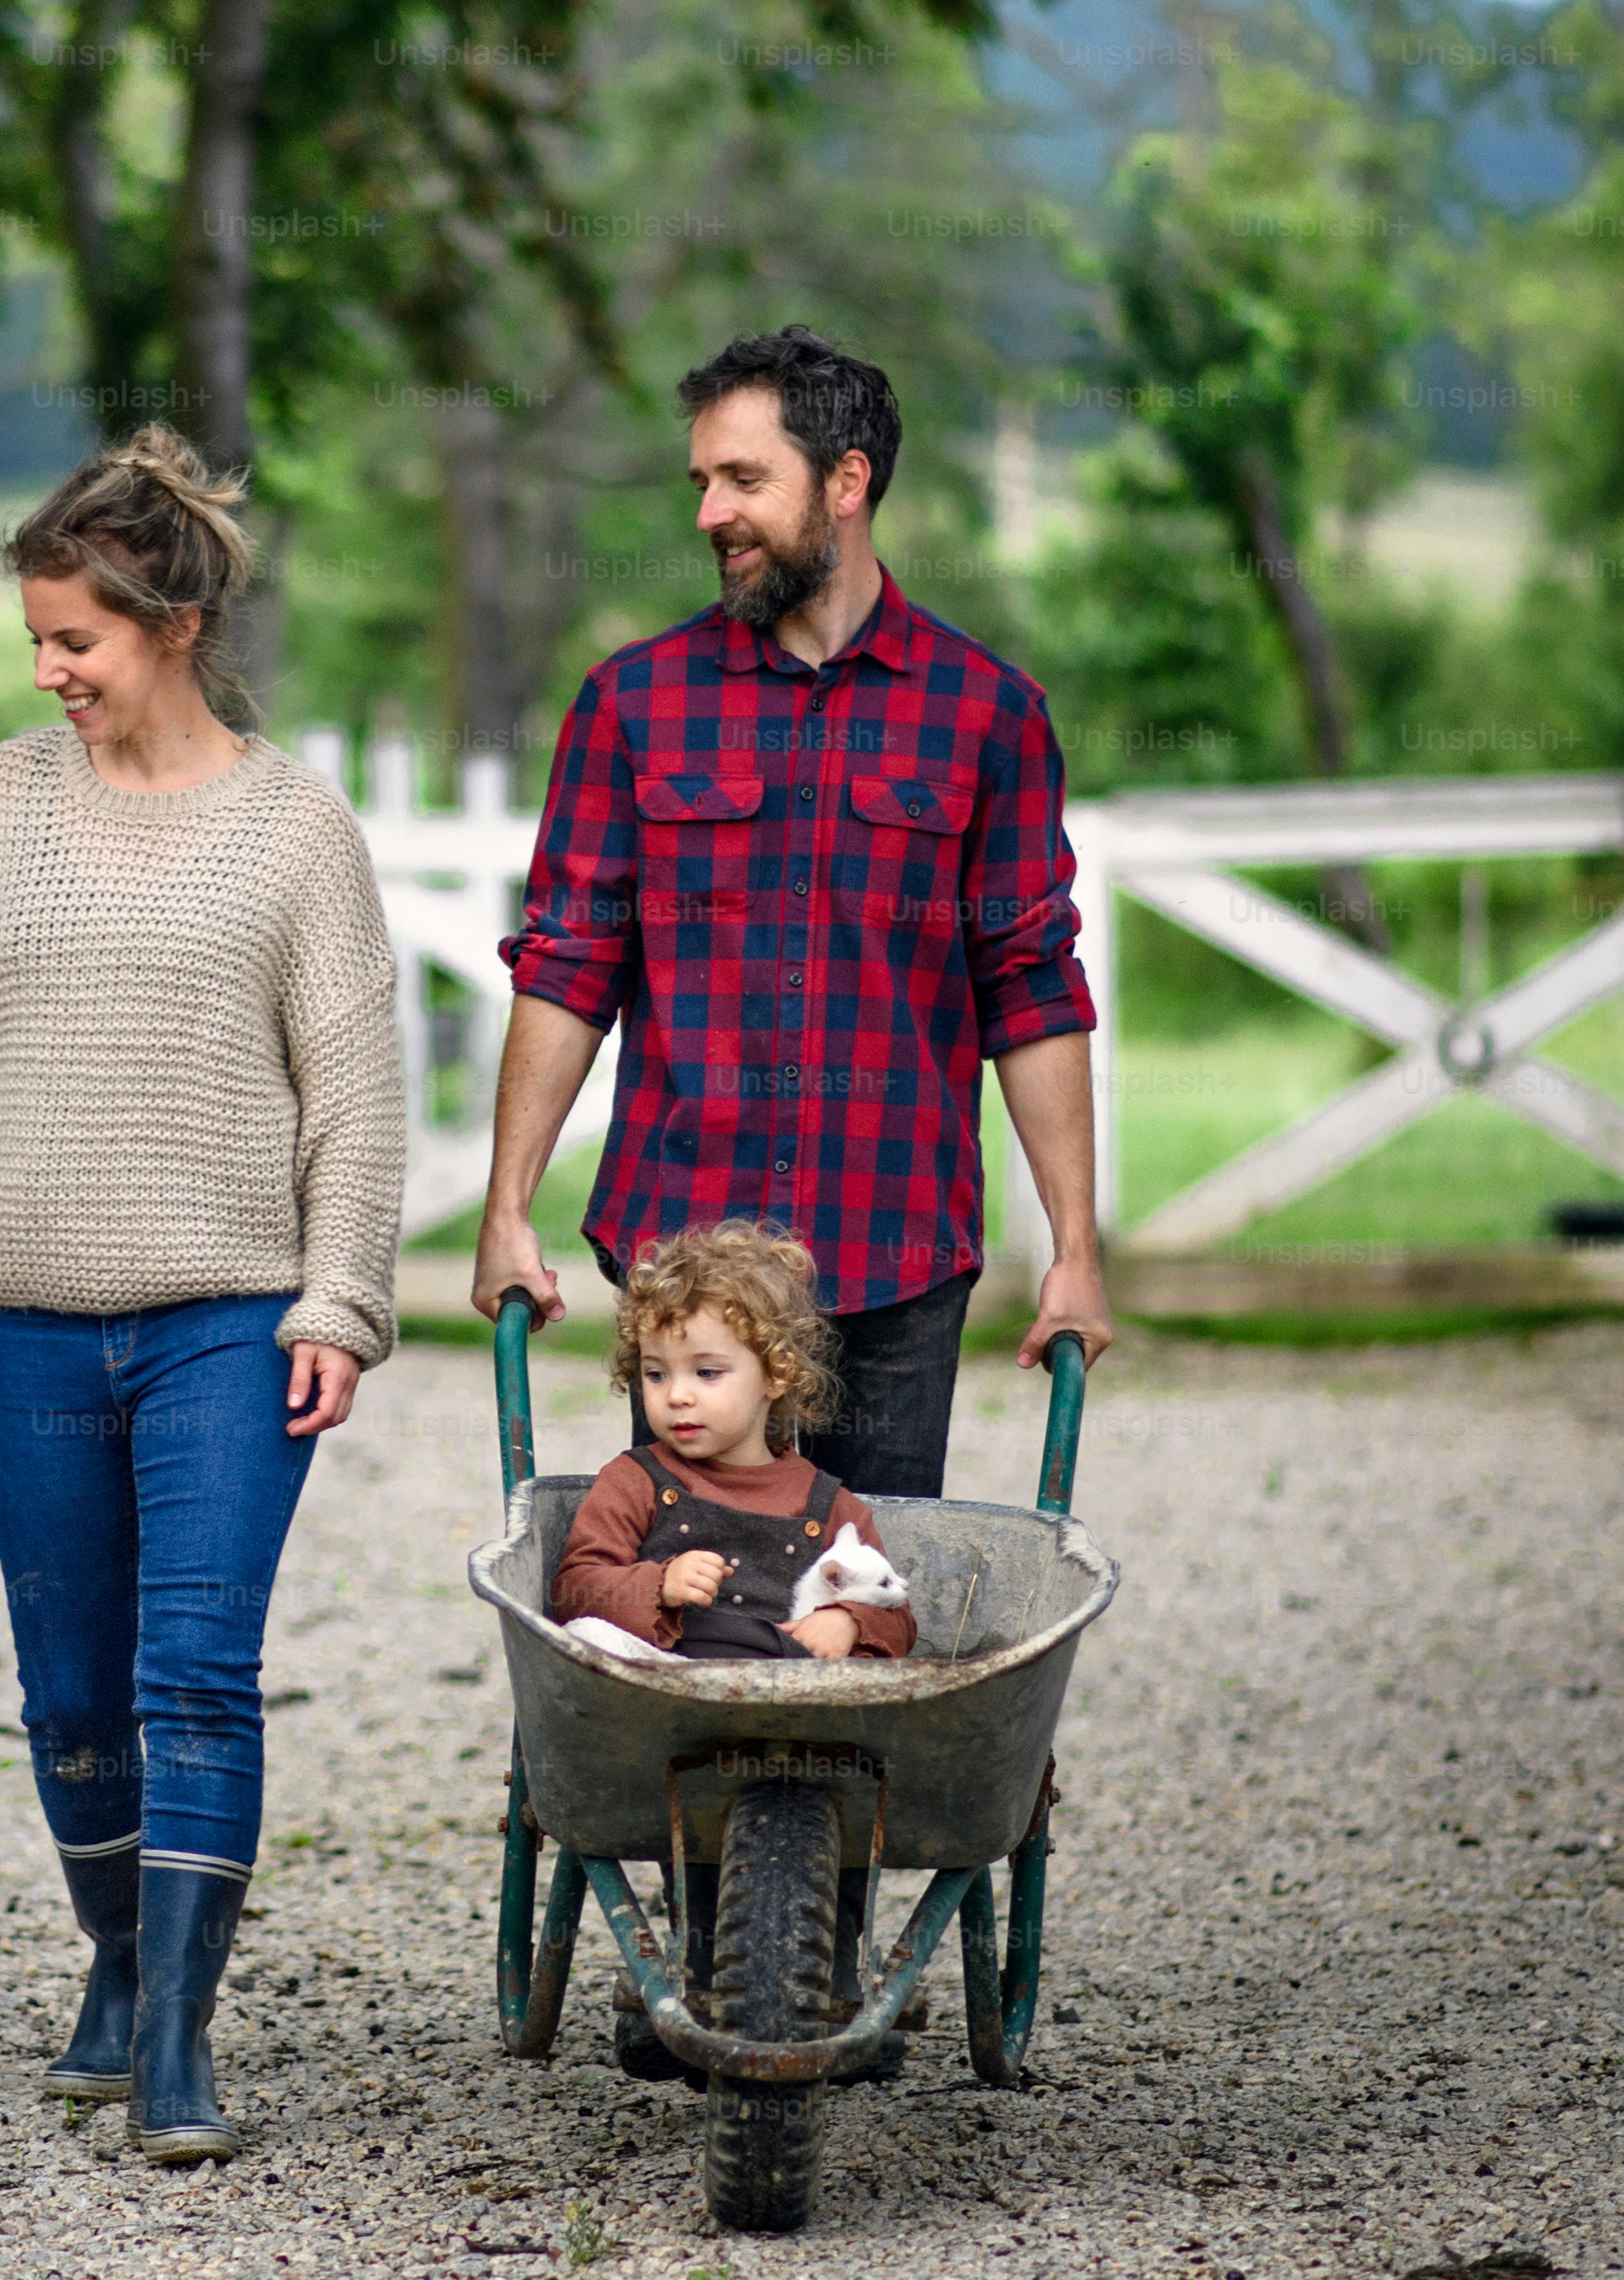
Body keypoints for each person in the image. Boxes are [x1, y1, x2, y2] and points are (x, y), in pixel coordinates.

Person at [0, 426, 403, 2165]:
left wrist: (339, 1298)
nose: (46, 670)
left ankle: (173, 2033)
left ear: (172, 625)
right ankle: (117, 1951)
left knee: (195, 1674)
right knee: (71, 1695)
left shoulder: (294, 828)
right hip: (29, 1332)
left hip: (230, 1324)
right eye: (35, 639)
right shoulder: (2, 802)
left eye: (73, 636)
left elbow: (355, 1094)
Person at [473, 324, 1117, 1495]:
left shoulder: (987, 714)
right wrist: (505, 1208)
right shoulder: (631, 705)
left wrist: (1074, 1249)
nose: (709, 512)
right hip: (686, 1262)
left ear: (846, 481)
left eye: (743, 479)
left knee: (866, 1586)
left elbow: (1028, 985)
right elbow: (567, 965)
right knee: (692, 1584)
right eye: (701, 481)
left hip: (893, 1249)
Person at [552, 1221, 918, 1664]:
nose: (677, 1395)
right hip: (664, 1679)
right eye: (656, 1373)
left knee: (866, 1671)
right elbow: (574, 1589)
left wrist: (850, 1620)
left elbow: (899, 1615)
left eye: (707, 1372)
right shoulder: (635, 1480)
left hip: (788, 1687)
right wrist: (659, 1584)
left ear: (776, 1375)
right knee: (587, 1635)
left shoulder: (829, 1506)